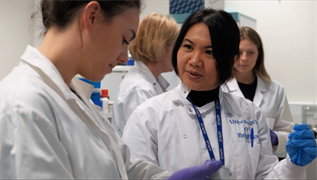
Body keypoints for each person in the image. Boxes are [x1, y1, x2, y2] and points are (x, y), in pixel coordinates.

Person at [0, 1, 225, 179]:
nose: (123, 56)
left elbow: (122, 167)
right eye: (125, 39)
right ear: (92, 17)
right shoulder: (25, 108)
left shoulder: (74, 97)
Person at [122, 8, 317, 179]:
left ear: (231, 60)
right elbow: (132, 175)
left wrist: (293, 166)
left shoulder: (250, 115)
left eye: (210, 52)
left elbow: (265, 175)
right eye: (188, 47)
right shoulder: (147, 117)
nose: (195, 60)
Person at [221, 26, 294, 155]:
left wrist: (276, 138)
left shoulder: (275, 90)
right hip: (231, 164)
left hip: (266, 167)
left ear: (258, 53)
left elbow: (289, 134)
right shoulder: (220, 88)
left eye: (250, 52)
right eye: (239, 52)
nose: (244, 58)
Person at [112, 13, 179, 137]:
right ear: (160, 47)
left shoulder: (149, 83)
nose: (178, 54)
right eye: (175, 47)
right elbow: (146, 140)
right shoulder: (139, 90)